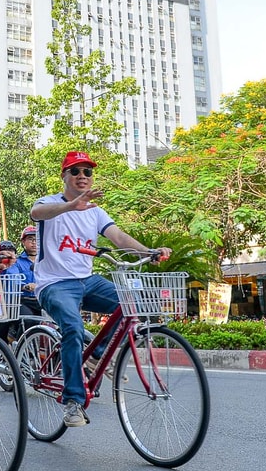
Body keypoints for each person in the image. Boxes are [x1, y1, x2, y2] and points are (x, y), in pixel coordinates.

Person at [31, 151, 171, 428]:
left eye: (87, 172)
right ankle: (73, 402)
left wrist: (149, 251)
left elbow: (118, 236)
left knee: (132, 302)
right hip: (54, 283)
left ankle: (97, 355)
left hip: (87, 280)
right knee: (72, 327)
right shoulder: (49, 203)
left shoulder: (95, 211)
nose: (82, 176)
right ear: (64, 176)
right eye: (75, 171)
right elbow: (37, 213)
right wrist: (72, 205)